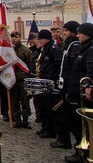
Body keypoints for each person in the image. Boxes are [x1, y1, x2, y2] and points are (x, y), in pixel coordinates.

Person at [59, 22, 93, 163]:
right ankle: (81, 150)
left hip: (82, 94)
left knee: (78, 123)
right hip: (74, 90)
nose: (78, 35)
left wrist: (88, 85)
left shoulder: (90, 50)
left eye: (80, 33)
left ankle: (83, 152)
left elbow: (90, 71)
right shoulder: (83, 48)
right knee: (74, 122)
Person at [54, 21, 80, 149]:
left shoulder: (75, 46)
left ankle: (78, 146)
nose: (64, 33)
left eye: (66, 31)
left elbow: (73, 67)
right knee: (63, 115)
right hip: (65, 83)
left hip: (71, 86)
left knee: (72, 119)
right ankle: (64, 140)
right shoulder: (68, 45)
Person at [35, 29, 63, 140]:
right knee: (44, 107)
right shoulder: (45, 49)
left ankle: (50, 130)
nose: (39, 41)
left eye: (40, 39)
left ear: (46, 38)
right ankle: (45, 127)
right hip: (45, 81)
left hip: (51, 82)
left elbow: (59, 65)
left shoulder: (54, 49)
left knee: (50, 108)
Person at [10, 30, 33, 129]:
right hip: (12, 79)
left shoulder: (25, 50)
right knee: (14, 101)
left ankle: (25, 119)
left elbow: (30, 64)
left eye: (17, 36)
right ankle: (17, 119)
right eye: (13, 37)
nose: (14, 39)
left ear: (20, 37)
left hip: (23, 79)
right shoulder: (9, 51)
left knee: (24, 101)